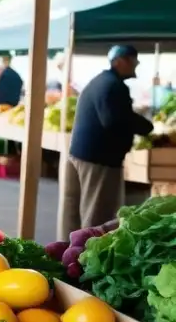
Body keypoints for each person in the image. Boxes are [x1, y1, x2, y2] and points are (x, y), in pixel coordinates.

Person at [63, 45, 153, 233]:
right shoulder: (113, 85)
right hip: (99, 159)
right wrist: (146, 127)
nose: (135, 65)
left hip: (80, 154)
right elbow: (114, 120)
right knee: (97, 216)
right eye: (133, 60)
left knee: (72, 213)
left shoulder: (100, 81)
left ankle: (65, 254)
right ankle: (85, 259)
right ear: (120, 61)